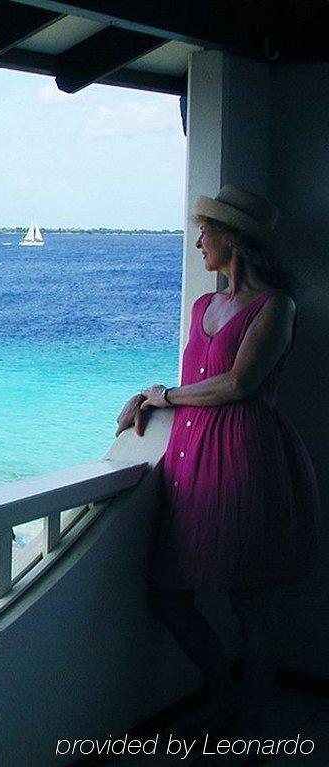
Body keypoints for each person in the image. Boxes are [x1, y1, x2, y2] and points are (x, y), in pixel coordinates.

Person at [115, 185, 319, 744]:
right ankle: (228, 698)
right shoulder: (205, 305)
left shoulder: (276, 305)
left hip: (244, 457)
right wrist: (149, 395)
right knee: (168, 594)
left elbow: (239, 383)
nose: (199, 239)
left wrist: (166, 396)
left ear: (233, 237)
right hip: (189, 457)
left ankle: (252, 723)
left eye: (207, 229)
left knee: (249, 601)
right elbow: (200, 377)